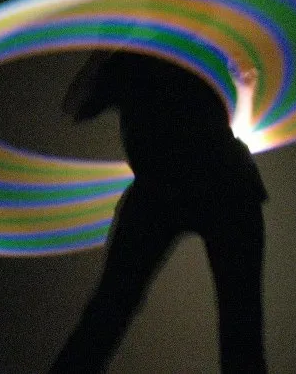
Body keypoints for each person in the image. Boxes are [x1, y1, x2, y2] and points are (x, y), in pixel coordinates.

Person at [50, 51, 268, 373]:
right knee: (110, 309)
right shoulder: (134, 60)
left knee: (240, 327)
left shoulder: (197, 57)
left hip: (219, 185)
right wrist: (101, 53)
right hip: (182, 188)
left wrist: (245, 92)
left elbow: (226, 133)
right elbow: (74, 106)